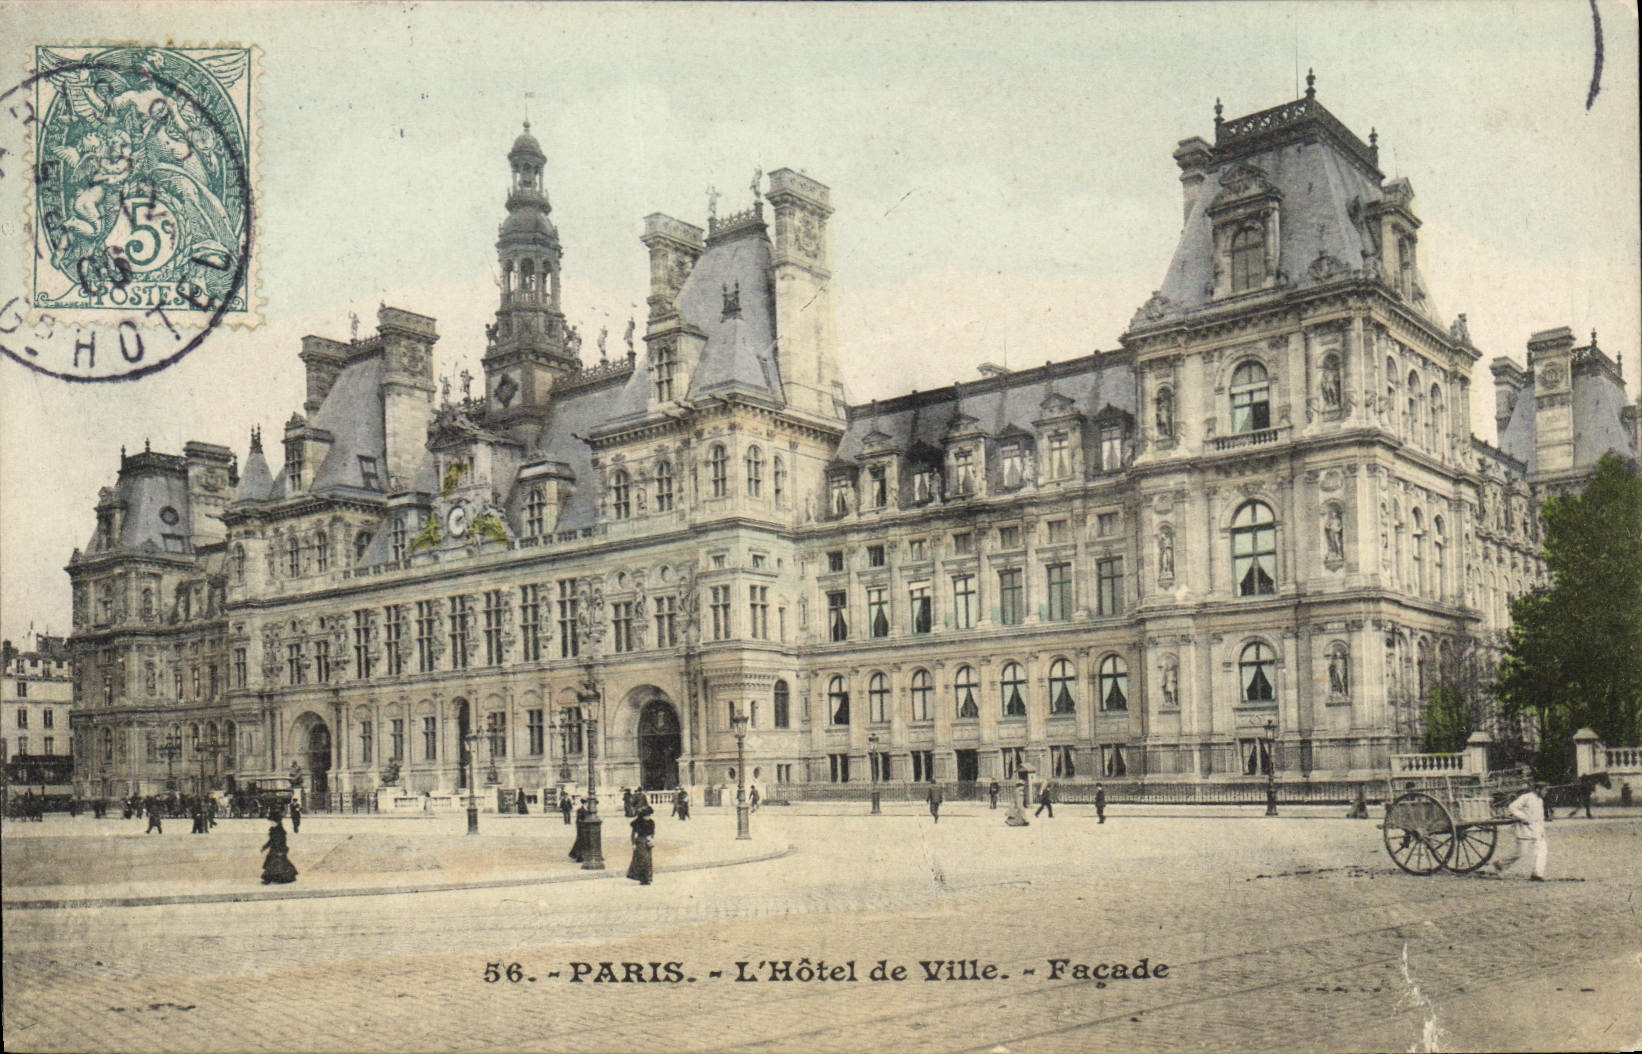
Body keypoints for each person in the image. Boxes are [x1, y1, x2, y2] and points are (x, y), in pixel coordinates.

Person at [1494, 783, 1548, 880]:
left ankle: (1537, 874)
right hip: (1524, 829)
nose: (1546, 792)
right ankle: (1500, 864)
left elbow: (1540, 817)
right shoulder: (1526, 797)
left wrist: (1541, 829)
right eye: (1544, 790)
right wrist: (1523, 817)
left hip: (1537, 830)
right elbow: (1512, 807)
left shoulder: (1540, 801)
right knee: (1520, 853)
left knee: (1542, 850)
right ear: (1537, 789)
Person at [260, 812, 298, 884]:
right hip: (274, 849)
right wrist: (264, 847)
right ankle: (277, 878)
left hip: (279, 850)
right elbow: (271, 841)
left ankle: (268, 879)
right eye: (271, 822)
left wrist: (282, 851)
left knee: (274, 864)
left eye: (273, 822)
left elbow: (283, 842)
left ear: (277, 822)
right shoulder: (273, 830)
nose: (271, 823)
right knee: (277, 864)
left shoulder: (281, 831)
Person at [627, 805, 655, 886]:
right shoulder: (637, 823)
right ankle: (642, 878)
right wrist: (633, 844)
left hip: (648, 842)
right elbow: (633, 835)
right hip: (640, 842)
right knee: (642, 860)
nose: (648, 817)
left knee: (648, 861)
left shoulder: (651, 822)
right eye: (647, 815)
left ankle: (647, 878)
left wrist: (651, 838)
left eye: (649, 815)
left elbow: (652, 832)